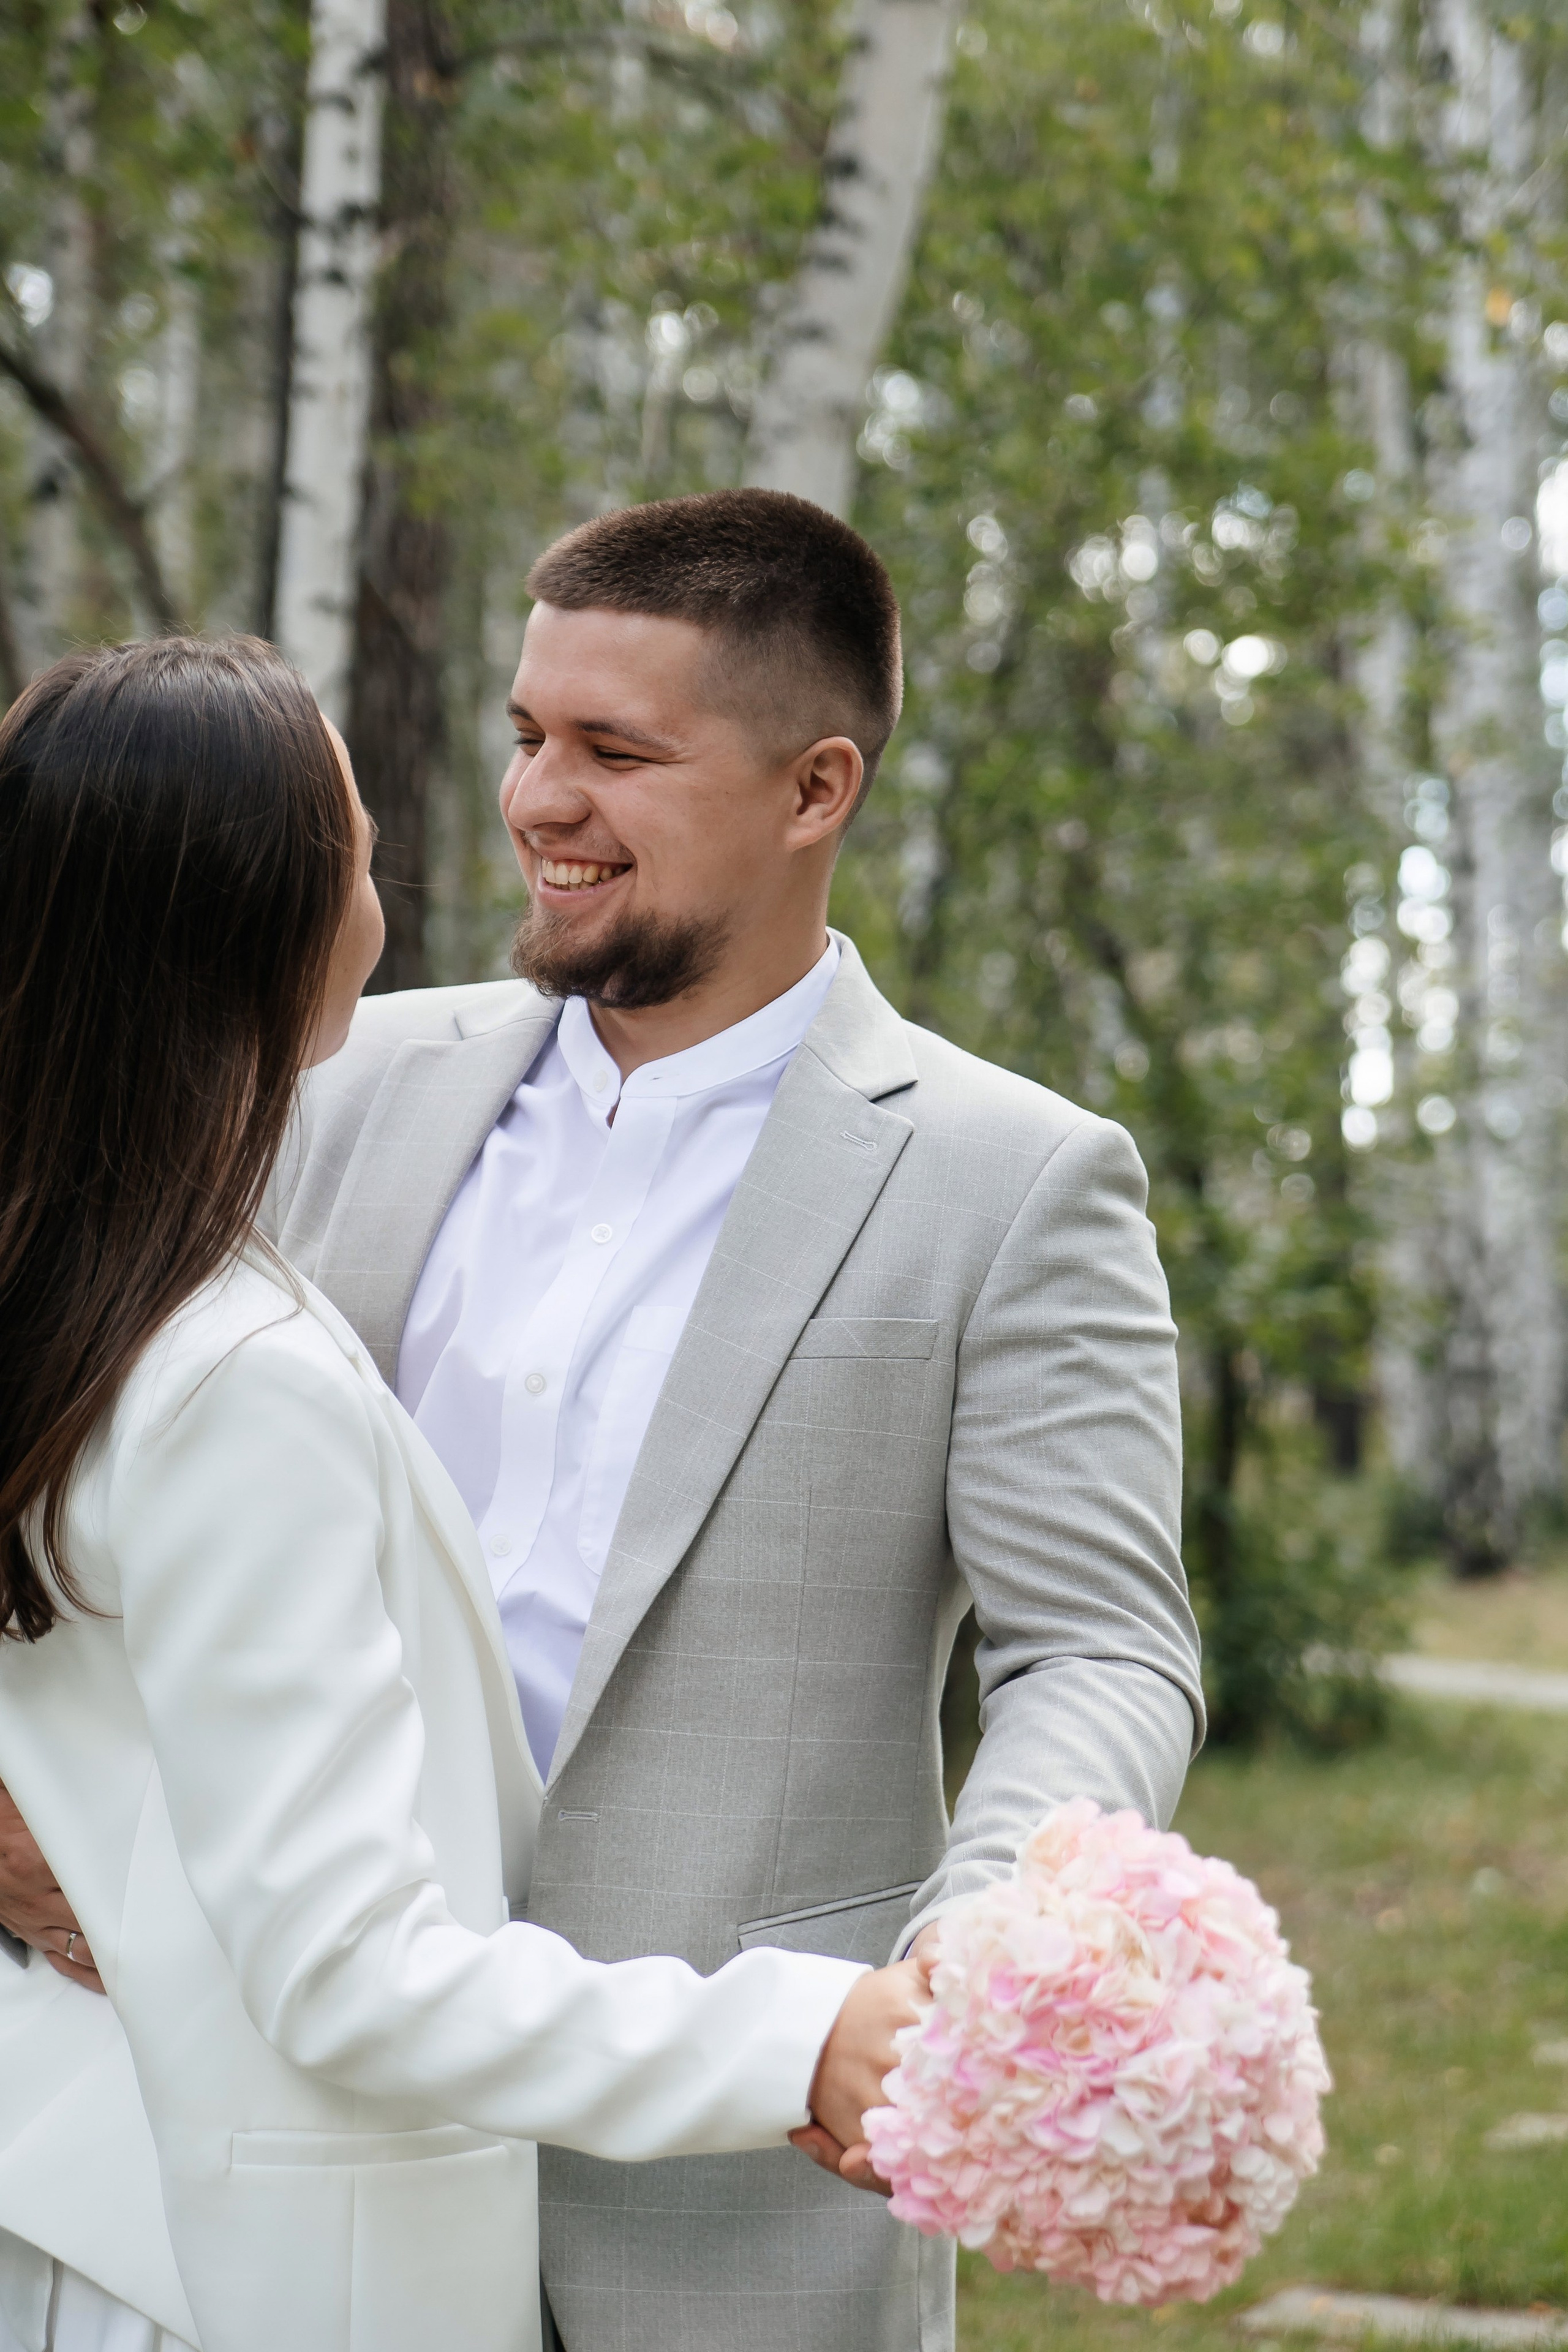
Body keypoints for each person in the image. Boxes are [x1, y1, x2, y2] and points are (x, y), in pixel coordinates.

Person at [1, 489, 1205, 2352]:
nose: (538, 801)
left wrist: (978, 1955)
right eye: (527, 735)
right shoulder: (320, 1077)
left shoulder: (1016, 1180)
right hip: (269, 2169)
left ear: (817, 789)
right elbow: (61, 1414)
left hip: (754, 2204)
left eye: (617, 752)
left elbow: (1106, 1649)